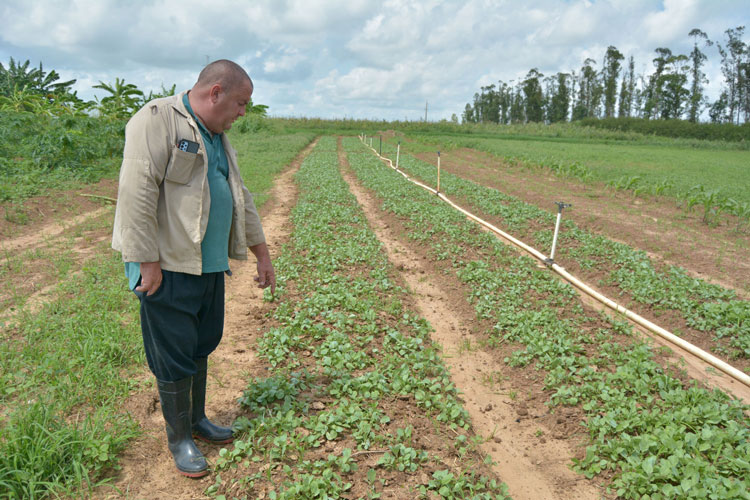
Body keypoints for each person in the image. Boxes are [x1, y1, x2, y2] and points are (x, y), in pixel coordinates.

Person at [112, 59, 275, 477]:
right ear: (215, 92)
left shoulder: (217, 137)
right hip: (168, 267)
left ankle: (197, 420)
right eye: (240, 103)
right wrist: (146, 261)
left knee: (201, 344)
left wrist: (261, 252)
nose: (243, 113)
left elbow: (240, 197)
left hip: (209, 267)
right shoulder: (157, 120)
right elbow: (136, 193)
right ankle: (179, 438)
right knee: (173, 357)